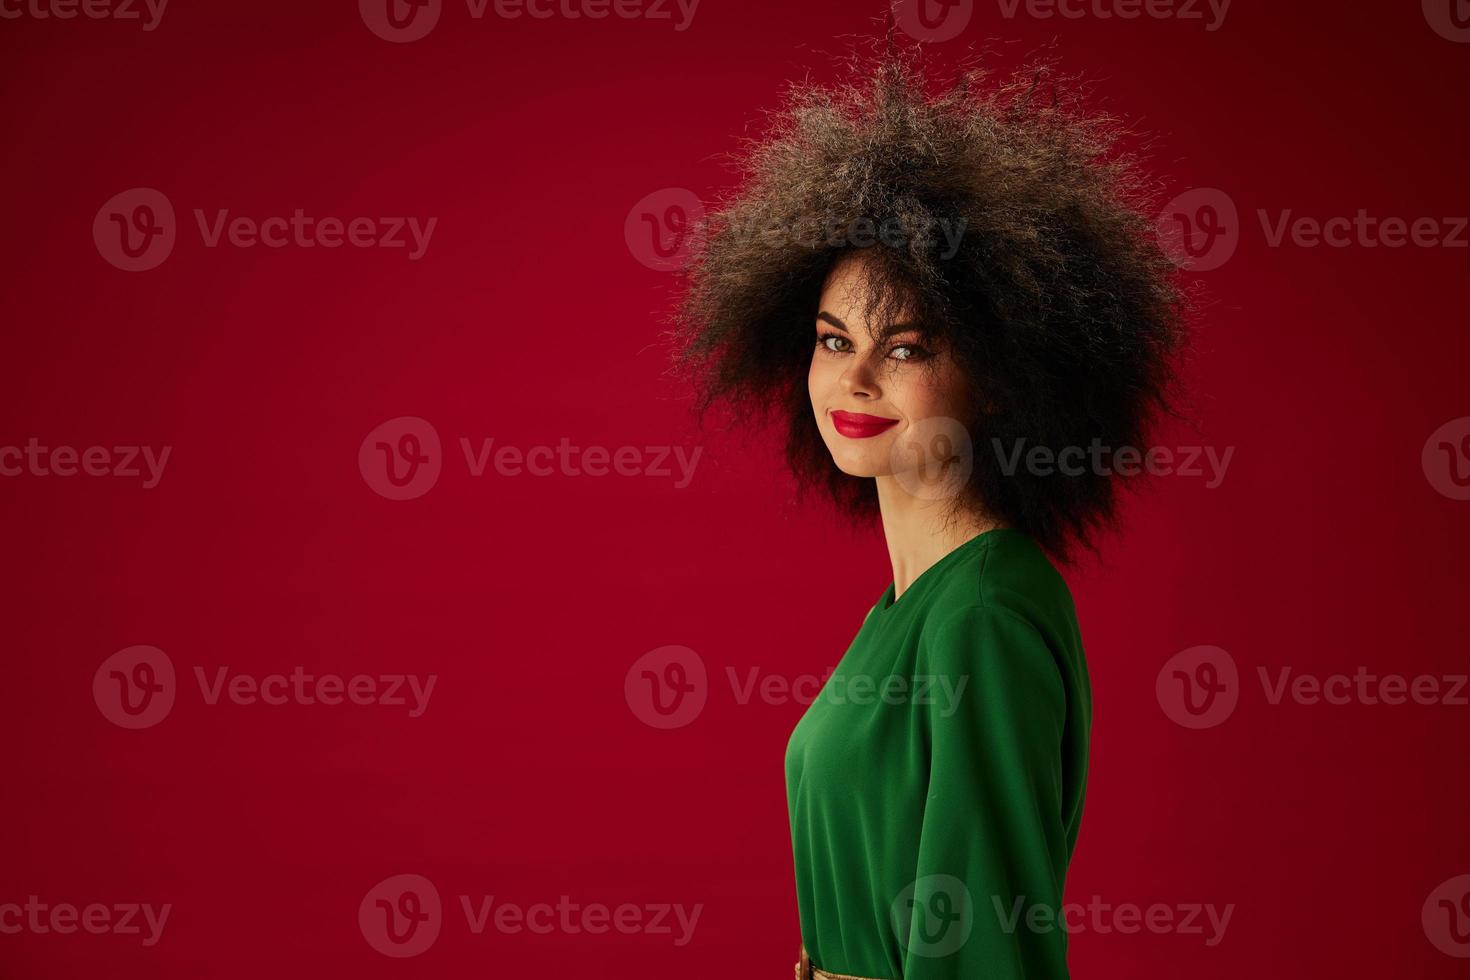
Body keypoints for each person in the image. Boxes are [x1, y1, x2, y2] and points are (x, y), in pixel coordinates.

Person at [669, 39, 1191, 979]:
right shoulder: (907, 610)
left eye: (905, 348)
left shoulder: (983, 617)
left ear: (999, 375)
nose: (854, 378)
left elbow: (983, 947)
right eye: (834, 340)